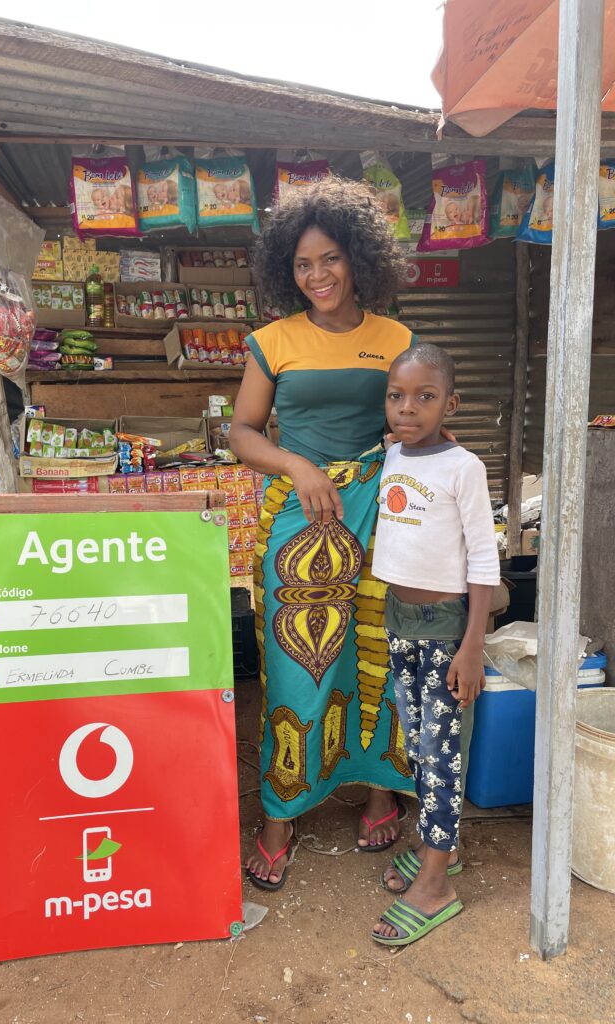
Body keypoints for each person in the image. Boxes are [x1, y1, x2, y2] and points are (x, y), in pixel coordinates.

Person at [230, 177, 424, 891]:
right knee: (294, 662)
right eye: (303, 264)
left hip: (382, 511)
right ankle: (280, 814)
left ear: (359, 258)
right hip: (299, 515)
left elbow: (416, 417)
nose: (318, 275)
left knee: (379, 651)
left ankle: (379, 793)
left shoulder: (396, 339)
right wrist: (298, 465)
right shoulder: (273, 341)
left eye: (330, 258)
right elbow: (242, 432)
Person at [370, 343, 500, 946]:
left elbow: (483, 559)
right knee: (420, 747)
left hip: (447, 629)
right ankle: (440, 848)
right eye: (396, 396)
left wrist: (472, 646)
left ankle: (435, 884)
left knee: (443, 752)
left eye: (425, 396)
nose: (407, 407)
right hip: (399, 622)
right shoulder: (393, 453)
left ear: (452, 403)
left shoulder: (464, 467)